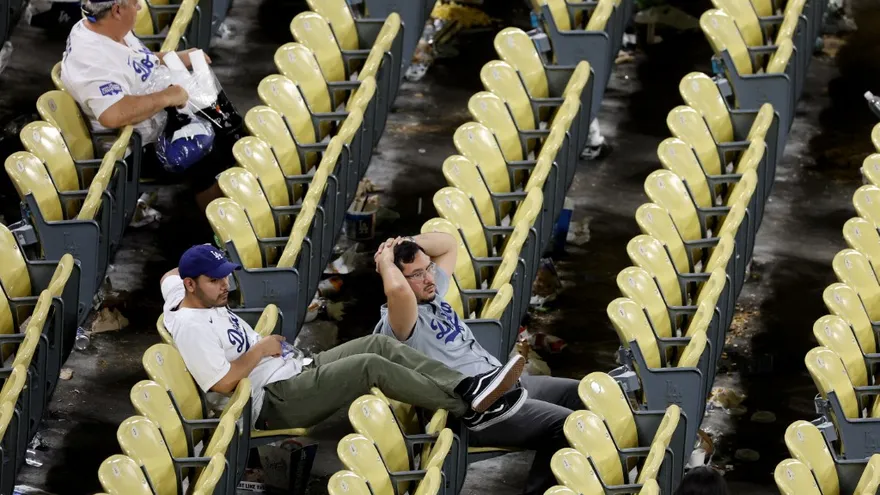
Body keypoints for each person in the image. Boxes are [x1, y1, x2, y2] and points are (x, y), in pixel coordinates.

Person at [160, 244, 528, 432]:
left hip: (295, 369)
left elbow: (170, 274)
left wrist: (201, 261)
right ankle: (470, 410)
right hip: (276, 400)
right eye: (215, 280)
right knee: (370, 366)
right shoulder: (191, 327)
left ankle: (469, 386)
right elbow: (223, 383)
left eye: (225, 277)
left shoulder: (182, 292)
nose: (225, 286)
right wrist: (260, 350)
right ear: (193, 285)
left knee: (380, 344)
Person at [372, 234, 583, 495]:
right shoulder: (401, 321)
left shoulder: (431, 293)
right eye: (416, 274)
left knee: (580, 394)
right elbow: (396, 291)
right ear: (397, 277)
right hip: (474, 411)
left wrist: (405, 242)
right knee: (567, 426)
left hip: (500, 384)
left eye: (428, 268)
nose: (428, 277)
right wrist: (385, 261)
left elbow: (448, 244)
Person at [61, 0, 237, 213]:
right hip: (135, 149)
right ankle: (223, 226)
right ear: (117, 10)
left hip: (160, 119)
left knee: (229, 125)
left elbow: (139, 62)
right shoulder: (92, 60)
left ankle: (238, 202)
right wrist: (167, 97)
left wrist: (175, 58)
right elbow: (112, 114)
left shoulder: (109, 28)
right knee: (207, 155)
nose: (140, 7)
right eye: (134, 3)